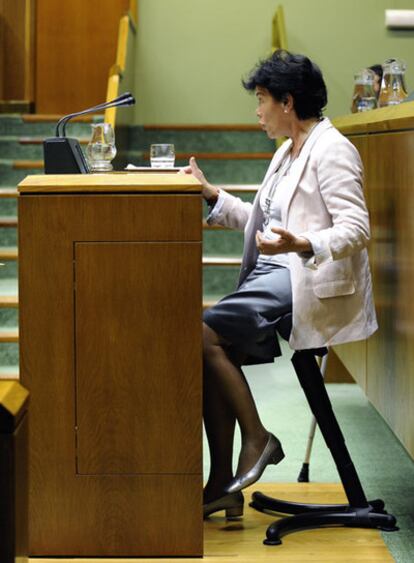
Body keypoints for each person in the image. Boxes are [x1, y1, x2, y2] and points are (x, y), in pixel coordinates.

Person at [181, 49, 377, 519]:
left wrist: (302, 242)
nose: (257, 110)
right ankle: (223, 484)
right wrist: (212, 195)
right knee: (216, 348)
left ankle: (258, 437)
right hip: (281, 271)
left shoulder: (332, 149)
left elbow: (357, 228)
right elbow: (262, 222)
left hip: (309, 277)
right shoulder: (287, 151)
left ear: (287, 102)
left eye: (263, 99)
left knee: (203, 333)